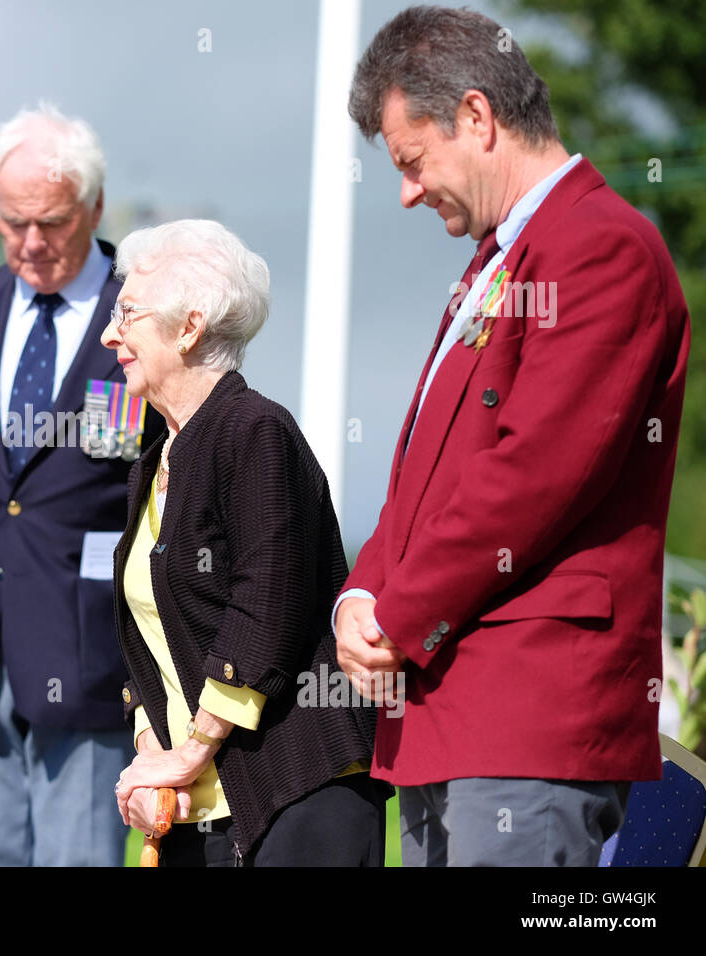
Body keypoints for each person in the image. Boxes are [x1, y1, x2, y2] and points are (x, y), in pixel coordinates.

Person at [336, 5, 692, 866]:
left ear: (476, 117)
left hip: (529, 719)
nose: (407, 192)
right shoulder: (497, 266)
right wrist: (358, 594)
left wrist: (396, 612)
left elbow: (534, 473)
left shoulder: (600, 246)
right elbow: (422, 484)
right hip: (443, 714)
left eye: (413, 162)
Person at [0, 104, 163, 866]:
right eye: (13, 222)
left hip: (88, 648)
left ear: (95, 206)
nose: (31, 243)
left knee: (76, 859)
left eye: (50, 222)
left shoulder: (146, 313)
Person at [103, 219, 389, 866]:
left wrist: (188, 754)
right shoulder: (153, 460)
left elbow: (264, 610)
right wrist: (153, 757)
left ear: (189, 327)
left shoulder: (255, 431)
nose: (109, 334)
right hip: (197, 812)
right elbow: (147, 641)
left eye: (128, 313)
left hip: (299, 794)